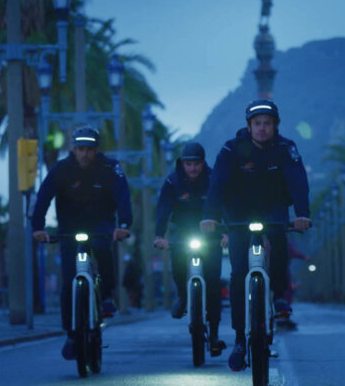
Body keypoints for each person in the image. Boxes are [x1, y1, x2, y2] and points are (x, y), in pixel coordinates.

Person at [200, 99, 311, 371]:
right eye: (257, 124)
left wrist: (302, 213)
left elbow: (298, 181)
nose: (262, 129)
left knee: (279, 241)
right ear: (248, 126)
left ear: (275, 126)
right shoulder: (231, 149)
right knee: (239, 273)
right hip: (238, 213)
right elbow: (217, 184)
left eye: (267, 124)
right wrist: (210, 215)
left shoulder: (287, 148)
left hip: (273, 208)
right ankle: (240, 339)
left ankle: (279, 295)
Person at [32, 126, 132, 360]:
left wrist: (124, 225)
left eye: (89, 149)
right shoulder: (61, 170)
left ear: (96, 150)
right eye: (80, 149)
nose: (84, 154)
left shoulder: (110, 167)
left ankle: (106, 296)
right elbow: (43, 197)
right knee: (69, 279)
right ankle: (71, 334)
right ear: (73, 150)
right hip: (69, 227)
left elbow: (123, 195)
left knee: (102, 249)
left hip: (101, 224)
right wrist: (38, 227)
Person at [154, 142, 227, 356]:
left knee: (213, 284)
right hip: (182, 233)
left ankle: (213, 335)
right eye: (188, 164)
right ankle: (183, 296)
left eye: (196, 163)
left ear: (203, 162)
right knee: (177, 265)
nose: (193, 168)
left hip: (210, 234)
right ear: (182, 163)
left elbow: (225, 206)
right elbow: (163, 209)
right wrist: (159, 235)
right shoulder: (172, 181)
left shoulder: (215, 179)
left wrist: (227, 232)